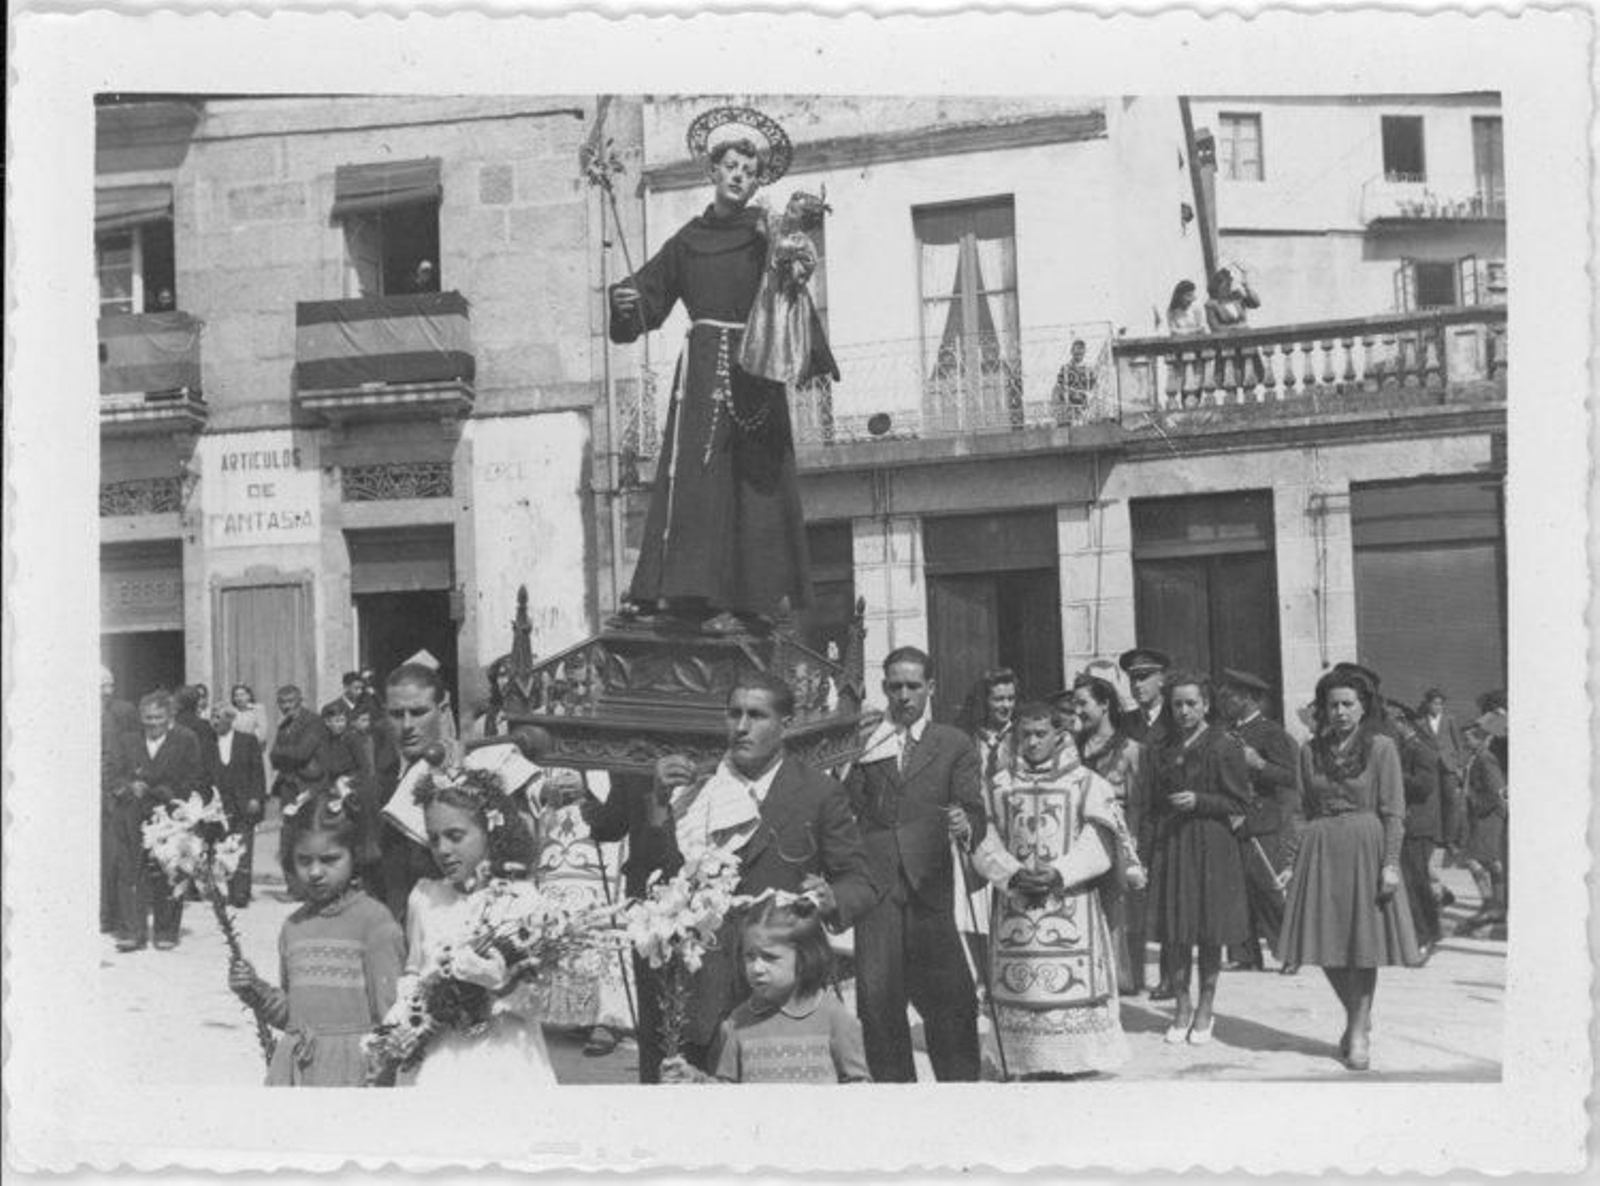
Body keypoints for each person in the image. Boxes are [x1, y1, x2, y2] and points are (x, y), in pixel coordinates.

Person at [607, 115, 835, 636]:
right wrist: (627, 301)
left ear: (758, 182)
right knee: (696, 481)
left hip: (755, 366)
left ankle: (750, 601)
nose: (738, 176)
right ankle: (684, 595)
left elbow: (792, 279)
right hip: (703, 371)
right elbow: (649, 296)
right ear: (712, 171)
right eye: (731, 166)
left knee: (753, 486)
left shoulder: (766, 233)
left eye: (749, 171)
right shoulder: (688, 240)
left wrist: (796, 255)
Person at [647, 672, 877, 1074]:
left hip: (785, 991)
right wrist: (659, 803)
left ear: (785, 724)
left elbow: (860, 882)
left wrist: (831, 898)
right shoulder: (698, 788)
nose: (741, 727)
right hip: (706, 988)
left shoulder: (818, 793)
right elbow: (663, 877)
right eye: (733, 714)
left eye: (756, 715)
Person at [845, 646, 985, 1083]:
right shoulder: (868, 742)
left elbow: (974, 808)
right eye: (894, 687)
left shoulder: (953, 743)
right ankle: (897, 1101)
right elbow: (846, 806)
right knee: (878, 1003)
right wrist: (848, 755)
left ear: (931, 688)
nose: (903, 696)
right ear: (884, 688)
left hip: (930, 889)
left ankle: (960, 1095)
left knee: (952, 1000)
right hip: (877, 890)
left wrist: (965, 822)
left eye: (912, 686)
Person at [968, 702, 1128, 1077]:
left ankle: (1076, 1061)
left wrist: (1060, 872)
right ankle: (1024, 1061)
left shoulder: (1086, 782)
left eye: (1041, 734)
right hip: (1016, 908)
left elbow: (1099, 841)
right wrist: (1010, 874)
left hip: (1071, 905)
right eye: (1025, 734)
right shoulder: (999, 784)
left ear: (1059, 735)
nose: (1033, 742)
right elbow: (983, 839)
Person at [1279, 667, 1420, 1071]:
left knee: (1363, 945)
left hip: (1366, 848)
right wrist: (1291, 861)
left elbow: (1394, 812)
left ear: (1362, 707)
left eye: (1347, 704)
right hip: (1320, 850)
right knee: (1323, 943)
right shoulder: (1310, 751)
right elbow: (1300, 811)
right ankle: (1358, 1015)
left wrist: (1390, 863)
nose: (1340, 712)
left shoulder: (1381, 748)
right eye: (1333, 705)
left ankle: (1357, 1032)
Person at [227, 785, 404, 1086]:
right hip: (297, 1069)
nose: (315, 872)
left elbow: (391, 1015)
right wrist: (253, 989)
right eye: (304, 860)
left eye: (330, 859)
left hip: (352, 1071)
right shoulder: (294, 927)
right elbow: (292, 1015)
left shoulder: (374, 923)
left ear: (355, 855)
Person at [392, 767, 555, 1091]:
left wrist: (501, 984)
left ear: (491, 830)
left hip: (504, 1055)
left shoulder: (521, 900)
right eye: (434, 838)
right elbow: (414, 970)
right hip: (439, 1056)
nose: (442, 850)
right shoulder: (425, 896)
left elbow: (544, 1001)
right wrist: (400, 1025)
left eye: (455, 836)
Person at [1142, 672, 1251, 1045]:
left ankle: (1205, 1006)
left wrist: (1201, 800)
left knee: (1208, 930)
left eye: (1191, 703)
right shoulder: (1163, 748)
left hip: (1212, 844)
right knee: (1176, 931)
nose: (1184, 711)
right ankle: (1181, 1006)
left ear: (1205, 705)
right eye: (1177, 704)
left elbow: (1240, 802)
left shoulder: (1224, 745)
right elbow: (1152, 802)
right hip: (1174, 842)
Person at [662, 897, 871, 1084]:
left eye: (770, 957)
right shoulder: (737, 1022)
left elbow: (859, 1089)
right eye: (750, 957)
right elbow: (726, 1094)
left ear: (805, 957)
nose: (756, 968)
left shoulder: (834, 1018)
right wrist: (693, 1080)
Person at [106, 690, 207, 951]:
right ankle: (132, 932)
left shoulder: (186, 739)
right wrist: (128, 787)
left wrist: (163, 792)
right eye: (147, 717)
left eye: (158, 717)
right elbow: (114, 774)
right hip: (132, 815)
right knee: (130, 872)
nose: (152, 723)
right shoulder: (128, 740)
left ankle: (166, 931)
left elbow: (195, 778)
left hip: (169, 816)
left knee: (169, 871)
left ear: (169, 716)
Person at [1216, 669, 1301, 972]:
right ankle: (1244, 955)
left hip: (1262, 822)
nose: (1225, 702)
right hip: (1230, 819)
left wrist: (1259, 763)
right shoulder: (1224, 731)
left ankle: (1289, 953)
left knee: (1268, 888)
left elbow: (1291, 776)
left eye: (1231, 697)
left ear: (1249, 699)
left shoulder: (1271, 732)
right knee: (1235, 891)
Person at [1071, 673, 1150, 994]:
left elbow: (1139, 803)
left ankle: (1123, 980)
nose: (1078, 711)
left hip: (1117, 837)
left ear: (1104, 705)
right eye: (1075, 704)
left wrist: (1133, 845)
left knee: (1120, 910)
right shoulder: (1072, 748)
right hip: (1079, 839)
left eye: (1083, 703)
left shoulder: (1130, 749)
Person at [375, 663, 458, 923]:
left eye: (419, 712)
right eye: (397, 714)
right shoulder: (380, 781)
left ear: (442, 711)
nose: (407, 725)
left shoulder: (462, 774)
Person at [1118, 646, 1176, 998]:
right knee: (1133, 899)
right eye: (1133, 679)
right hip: (1136, 820)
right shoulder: (1125, 724)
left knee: (1168, 900)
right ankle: (1133, 975)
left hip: (1169, 820)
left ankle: (1169, 977)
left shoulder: (1176, 717)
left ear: (1162, 679)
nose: (1137, 685)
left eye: (1144, 678)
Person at [1387, 706, 1444, 956]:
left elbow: (1424, 786)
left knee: (1415, 882)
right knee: (1413, 881)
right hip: (1410, 825)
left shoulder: (1422, 750)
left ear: (1403, 723)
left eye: (1391, 723)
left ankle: (1426, 935)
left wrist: (1394, 772)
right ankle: (1430, 933)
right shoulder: (1405, 749)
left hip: (1418, 826)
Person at [210, 704, 266, 908]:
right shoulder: (208, 742)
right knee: (220, 848)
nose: (215, 722)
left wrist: (256, 798)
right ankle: (223, 891)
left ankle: (241, 893)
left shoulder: (247, 741)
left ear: (230, 719)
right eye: (213, 717)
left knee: (242, 847)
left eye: (219, 717)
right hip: (218, 805)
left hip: (243, 802)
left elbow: (257, 772)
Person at [1456, 723, 1508, 935]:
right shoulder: (1475, 758)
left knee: (1474, 859)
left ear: (1478, 739)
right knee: (1492, 862)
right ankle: (1496, 905)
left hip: (1488, 816)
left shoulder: (1485, 758)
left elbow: (1497, 791)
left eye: (1468, 738)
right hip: (1481, 816)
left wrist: (1474, 802)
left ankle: (1491, 903)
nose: (1465, 742)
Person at [101, 667, 140, 934]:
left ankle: (111, 915)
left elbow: (129, 751)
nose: (107, 692)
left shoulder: (123, 711)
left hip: (113, 796)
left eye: (110, 685)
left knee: (114, 858)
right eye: (102, 686)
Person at [1415, 687, 1468, 880]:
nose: (1437, 706)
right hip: (1430, 768)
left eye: (1440, 703)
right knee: (1433, 802)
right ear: (1428, 704)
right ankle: (1436, 837)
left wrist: (1459, 765)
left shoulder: (1450, 720)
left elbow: (1459, 744)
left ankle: (1450, 840)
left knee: (1451, 802)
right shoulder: (1420, 722)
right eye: (1434, 703)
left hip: (1449, 766)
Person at [269, 685, 327, 805]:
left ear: (300, 701)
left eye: (290, 701)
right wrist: (284, 753)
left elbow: (302, 753)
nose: (286, 706)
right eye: (282, 702)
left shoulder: (313, 721)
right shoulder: (284, 726)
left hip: (310, 784)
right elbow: (273, 759)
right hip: (288, 784)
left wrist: (280, 752)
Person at [1049, 339, 1097, 425]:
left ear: (1084, 352)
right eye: (1076, 353)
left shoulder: (1088, 369)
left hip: (1084, 409)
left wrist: (1089, 397)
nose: (1078, 355)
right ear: (1071, 352)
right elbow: (1060, 387)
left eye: (1081, 353)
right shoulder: (1065, 369)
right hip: (1069, 409)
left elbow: (1093, 387)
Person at [468, 655, 514, 740]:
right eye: (502, 675)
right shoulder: (481, 725)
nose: (507, 681)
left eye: (512, 674)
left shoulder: (537, 715)